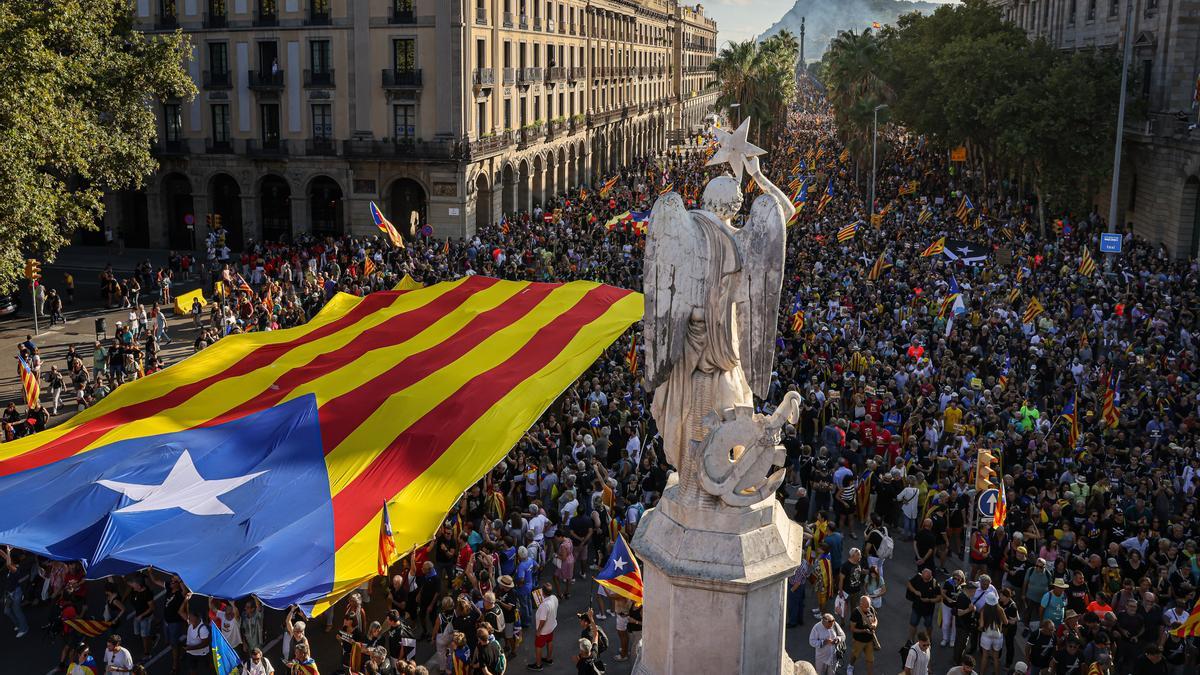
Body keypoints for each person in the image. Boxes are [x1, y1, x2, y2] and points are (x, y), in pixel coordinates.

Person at [529, 582, 558, 671]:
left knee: (538, 646)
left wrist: (538, 631)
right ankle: (549, 659)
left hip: (543, 631)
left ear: (543, 592)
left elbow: (542, 620)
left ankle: (538, 665)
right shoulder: (554, 598)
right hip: (551, 626)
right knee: (549, 641)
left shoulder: (544, 606)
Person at [847, 595, 877, 675]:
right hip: (859, 640)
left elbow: (875, 619)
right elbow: (852, 629)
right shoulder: (855, 613)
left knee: (870, 659)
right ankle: (850, 666)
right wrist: (864, 630)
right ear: (861, 604)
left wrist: (874, 624)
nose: (868, 609)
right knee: (855, 655)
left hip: (869, 640)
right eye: (866, 607)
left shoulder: (871, 609)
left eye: (869, 606)